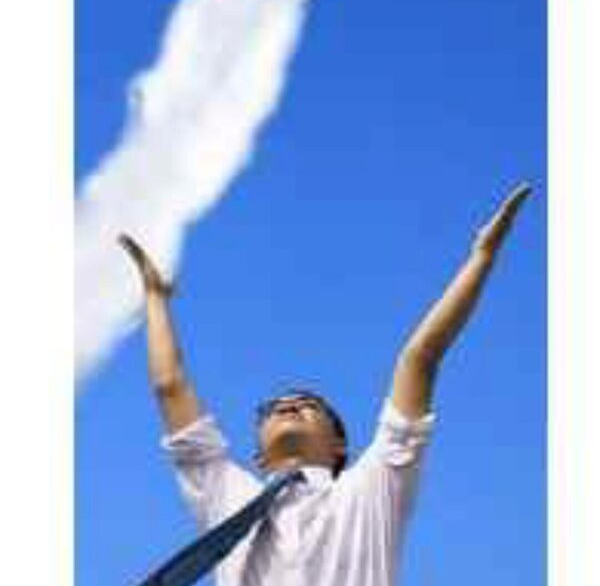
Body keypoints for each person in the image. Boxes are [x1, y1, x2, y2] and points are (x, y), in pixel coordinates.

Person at [119, 184, 531, 586]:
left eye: (309, 404)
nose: (288, 405)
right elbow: (170, 386)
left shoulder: (374, 486)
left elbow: (419, 359)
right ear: (258, 457)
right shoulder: (226, 493)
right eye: (273, 408)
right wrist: (155, 298)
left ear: (339, 446)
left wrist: (482, 257)